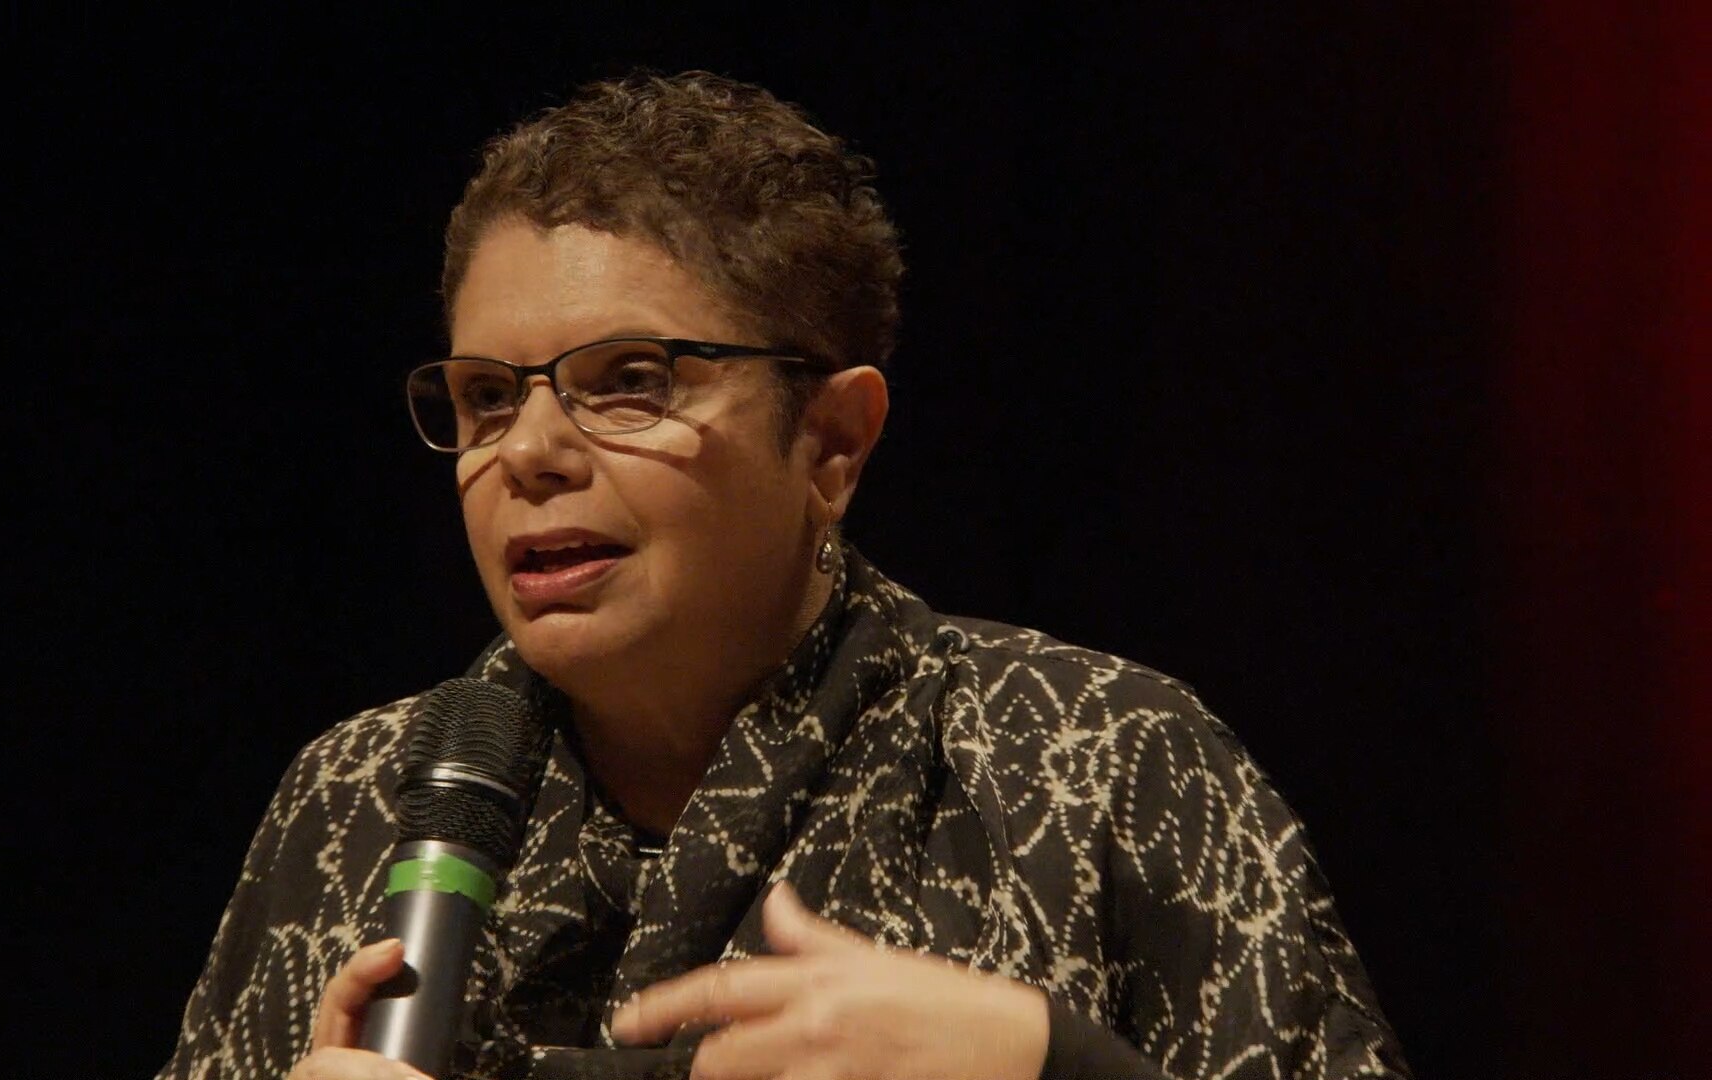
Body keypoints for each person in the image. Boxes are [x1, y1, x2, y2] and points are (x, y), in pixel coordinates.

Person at [158, 71, 1410, 1080]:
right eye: (487, 396)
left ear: (831, 442)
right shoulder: (361, 801)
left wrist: (1051, 1062)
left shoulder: (1100, 765)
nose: (527, 453)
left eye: (629, 383)